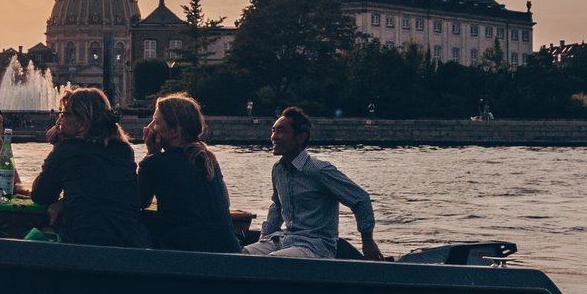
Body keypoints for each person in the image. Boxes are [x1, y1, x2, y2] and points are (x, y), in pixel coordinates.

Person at [245, 106, 382, 260]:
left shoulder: (320, 170)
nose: (274, 136)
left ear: (300, 137)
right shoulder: (278, 170)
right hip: (286, 239)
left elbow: (360, 199)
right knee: (243, 255)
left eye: (281, 131)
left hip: (316, 247)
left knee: (272, 261)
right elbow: (277, 206)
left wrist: (368, 241)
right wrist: (264, 236)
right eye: (273, 130)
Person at [30, 87, 150, 248]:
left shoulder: (68, 149)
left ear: (82, 121)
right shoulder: (123, 150)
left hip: (86, 244)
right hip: (132, 244)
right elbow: (105, 191)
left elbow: (41, 194)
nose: (59, 120)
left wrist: (58, 146)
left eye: (64, 114)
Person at [138, 92, 241, 253]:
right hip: (228, 249)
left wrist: (151, 154)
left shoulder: (155, 163)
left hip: (188, 253)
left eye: (156, 122)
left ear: (175, 132)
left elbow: (137, 202)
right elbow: (224, 202)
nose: (149, 127)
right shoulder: (208, 159)